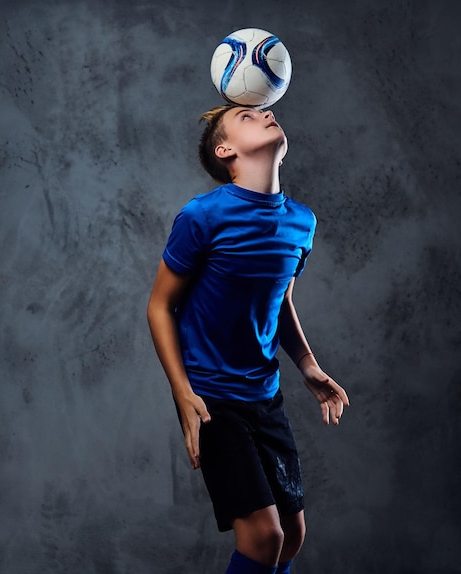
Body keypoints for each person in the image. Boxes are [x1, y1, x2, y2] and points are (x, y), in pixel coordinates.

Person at [147, 103, 350, 574]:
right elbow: (159, 306)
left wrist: (308, 365)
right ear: (226, 151)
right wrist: (183, 394)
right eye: (247, 116)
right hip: (213, 398)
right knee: (264, 537)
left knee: (293, 538)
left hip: (265, 396)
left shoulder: (301, 223)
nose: (266, 112)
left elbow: (278, 302)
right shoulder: (202, 217)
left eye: (267, 110)